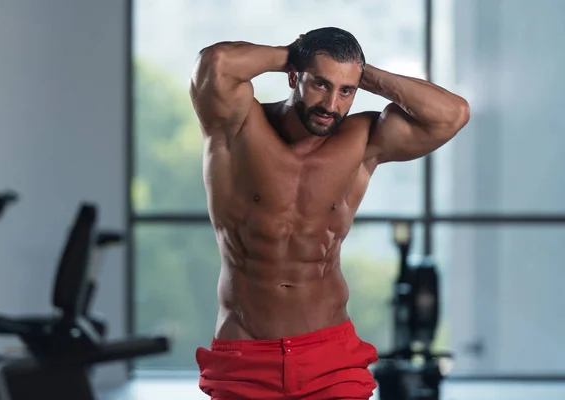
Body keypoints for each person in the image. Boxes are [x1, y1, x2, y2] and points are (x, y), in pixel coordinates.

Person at [189, 27, 469, 400]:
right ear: (294, 77)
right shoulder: (237, 126)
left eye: (346, 91)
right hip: (246, 355)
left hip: (330, 357)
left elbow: (452, 114)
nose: (331, 104)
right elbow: (216, 63)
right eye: (320, 85)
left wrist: (360, 72)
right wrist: (293, 52)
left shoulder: (362, 140)